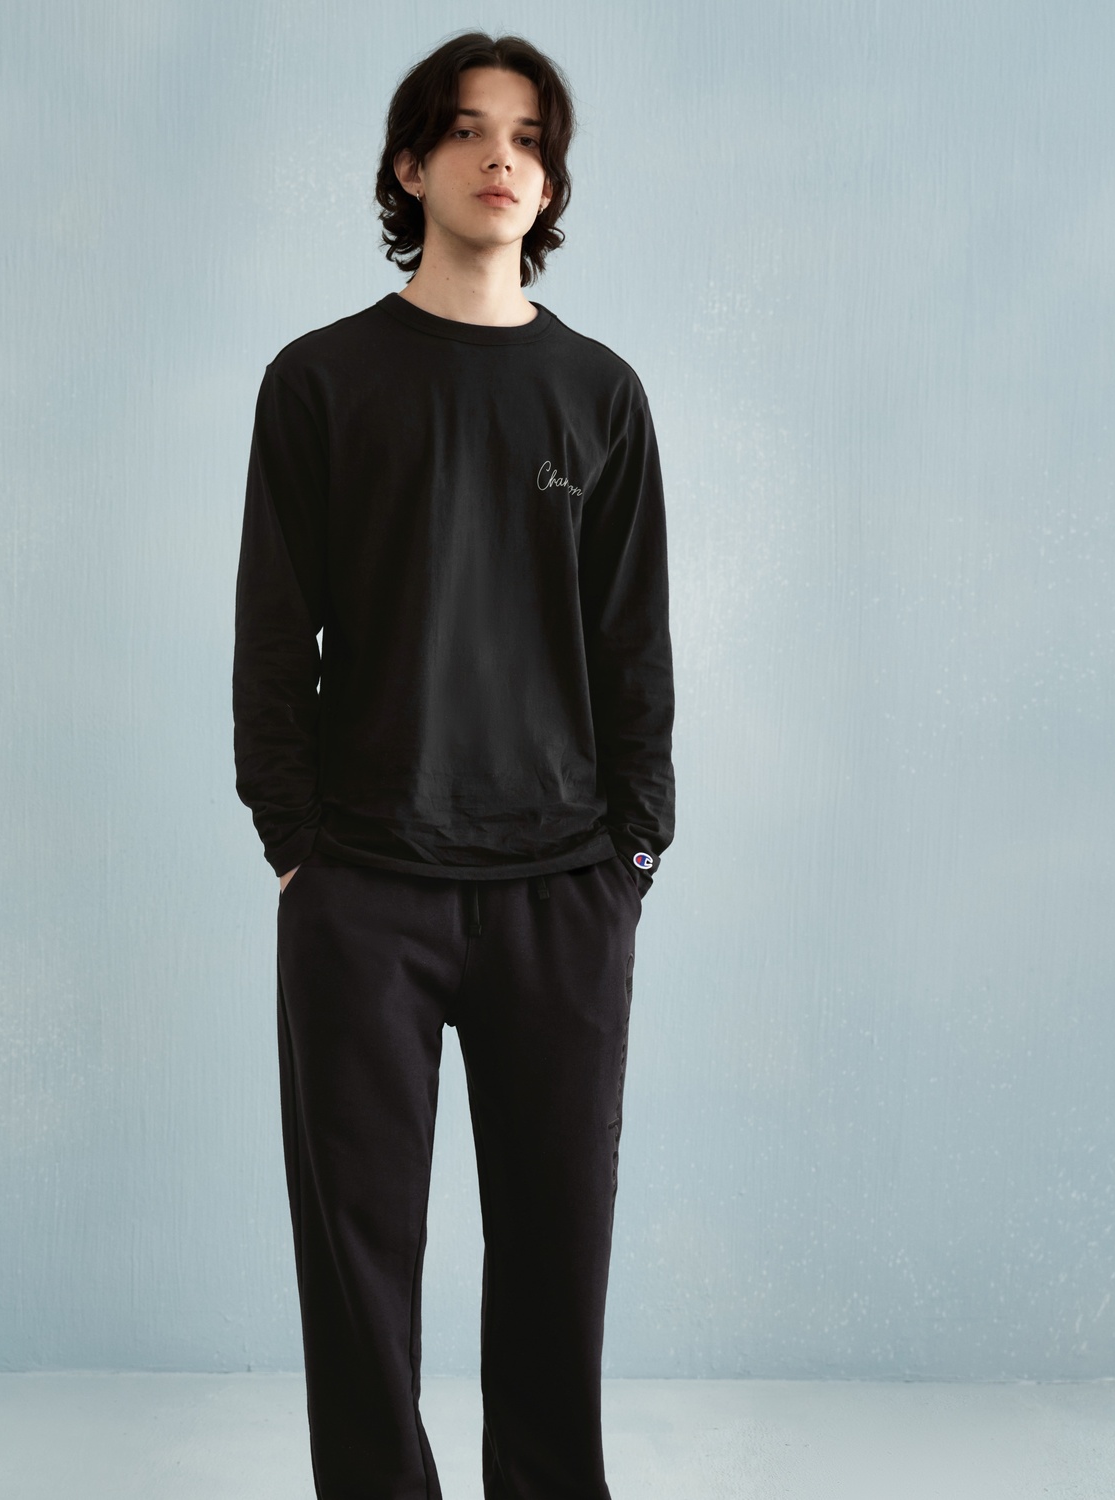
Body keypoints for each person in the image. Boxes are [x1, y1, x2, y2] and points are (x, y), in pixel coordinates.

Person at [232, 30, 674, 1500]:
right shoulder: (319, 382)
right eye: (472, 131)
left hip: (564, 886)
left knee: (558, 1249)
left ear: (550, 182)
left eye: (530, 139)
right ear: (410, 165)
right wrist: (295, 842)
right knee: (357, 1259)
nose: (503, 159)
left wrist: (633, 850)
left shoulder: (600, 394)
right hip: (364, 884)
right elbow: (270, 631)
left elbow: (633, 645)